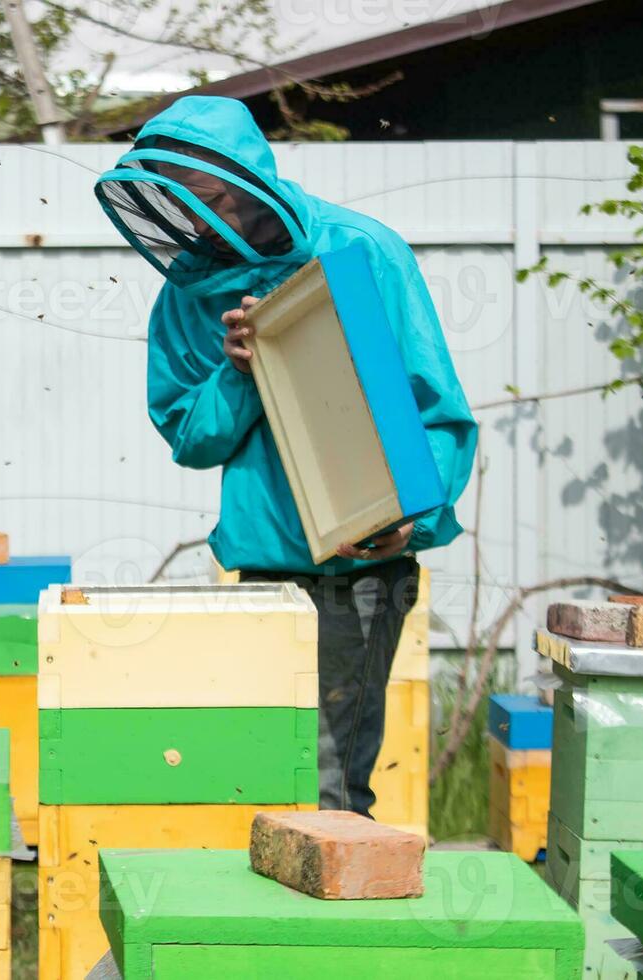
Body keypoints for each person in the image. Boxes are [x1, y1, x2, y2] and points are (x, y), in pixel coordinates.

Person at [95, 96, 478, 816]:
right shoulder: (189, 295)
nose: (195, 220)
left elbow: (433, 412)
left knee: (328, 791)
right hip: (262, 568)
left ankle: (337, 929)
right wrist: (237, 373)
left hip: (358, 568)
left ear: (243, 180)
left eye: (205, 199)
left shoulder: (357, 252)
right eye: (177, 203)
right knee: (263, 782)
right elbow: (191, 439)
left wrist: (412, 520)